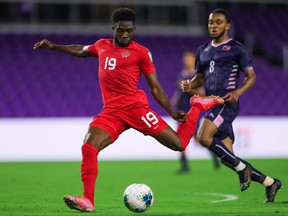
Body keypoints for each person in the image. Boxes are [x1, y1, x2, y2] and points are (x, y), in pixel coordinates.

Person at [33, 7, 224, 212]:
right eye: (121, 30)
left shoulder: (141, 52)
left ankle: (198, 106)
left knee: (179, 144)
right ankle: (88, 200)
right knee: (89, 146)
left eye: (130, 31)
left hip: (136, 108)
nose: (125, 34)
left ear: (134, 30)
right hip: (112, 111)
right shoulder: (102, 45)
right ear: (113, 28)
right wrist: (54, 47)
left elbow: (155, 87)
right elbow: (81, 50)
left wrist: (170, 111)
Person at [181, 8, 282, 203]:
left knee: (203, 136)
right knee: (227, 159)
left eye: (218, 22)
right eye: (211, 22)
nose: (213, 25)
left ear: (227, 26)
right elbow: (199, 79)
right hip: (211, 105)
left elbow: (251, 77)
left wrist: (237, 92)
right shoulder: (203, 50)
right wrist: (189, 84)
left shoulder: (237, 48)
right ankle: (270, 182)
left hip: (226, 103)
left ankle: (242, 169)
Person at [171, 51, 220, 173]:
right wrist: (175, 99)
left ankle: (214, 153)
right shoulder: (182, 74)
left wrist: (189, 89)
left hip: (193, 111)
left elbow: (202, 93)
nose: (186, 60)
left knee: (198, 139)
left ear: (194, 60)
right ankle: (185, 166)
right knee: (180, 137)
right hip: (181, 110)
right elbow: (179, 91)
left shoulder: (197, 76)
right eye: (185, 58)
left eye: (188, 58)